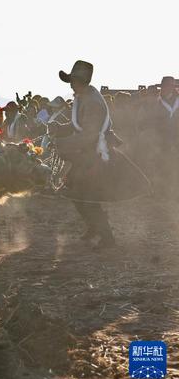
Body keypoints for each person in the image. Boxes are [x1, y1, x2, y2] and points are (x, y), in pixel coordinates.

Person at [49, 60, 149, 247]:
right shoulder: (84, 97)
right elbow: (77, 125)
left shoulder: (91, 101)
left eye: (73, 80)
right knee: (78, 195)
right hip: (87, 155)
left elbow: (89, 134)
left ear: (81, 81)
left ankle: (107, 237)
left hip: (95, 155)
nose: (70, 84)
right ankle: (94, 227)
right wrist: (60, 129)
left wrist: (62, 142)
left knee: (87, 197)